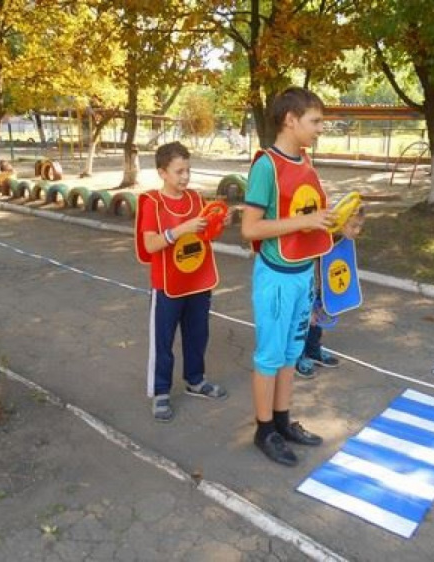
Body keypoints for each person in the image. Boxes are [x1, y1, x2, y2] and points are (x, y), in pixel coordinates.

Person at [241, 87, 334, 466]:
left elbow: (310, 219)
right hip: (276, 278)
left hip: (301, 276)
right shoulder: (266, 166)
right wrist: (306, 221)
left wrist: (339, 225)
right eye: (315, 122)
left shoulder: (307, 163)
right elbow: (250, 229)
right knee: (270, 356)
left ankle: (282, 421)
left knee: (291, 354)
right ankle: (264, 431)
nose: (319, 129)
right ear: (290, 120)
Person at [135, 141, 228, 422]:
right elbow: (150, 245)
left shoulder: (196, 199)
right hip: (167, 285)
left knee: (197, 334)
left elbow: (207, 236)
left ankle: (196, 380)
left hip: (198, 282)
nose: (185, 177)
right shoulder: (152, 202)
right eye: (179, 172)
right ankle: (161, 391)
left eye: (188, 170)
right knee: (163, 340)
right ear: (162, 173)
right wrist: (179, 230)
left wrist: (220, 220)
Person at [296, 209, 366, 379]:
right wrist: (307, 307)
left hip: (321, 291)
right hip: (307, 292)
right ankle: (297, 358)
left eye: (360, 227)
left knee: (316, 325)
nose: (357, 231)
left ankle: (313, 351)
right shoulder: (319, 243)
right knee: (302, 325)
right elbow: (306, 275)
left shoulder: (339, 243)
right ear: (340, 222)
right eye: (354, 226)